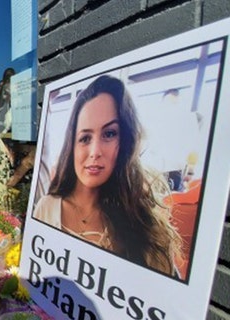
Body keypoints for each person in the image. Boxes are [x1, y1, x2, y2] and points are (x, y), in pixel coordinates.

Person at [33, 75, 182, 277]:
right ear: (72, 145)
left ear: (126, 141)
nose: (95, 151)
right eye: (85, 138)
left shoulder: (144, 223)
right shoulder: (47, 208)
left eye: (109, 134)